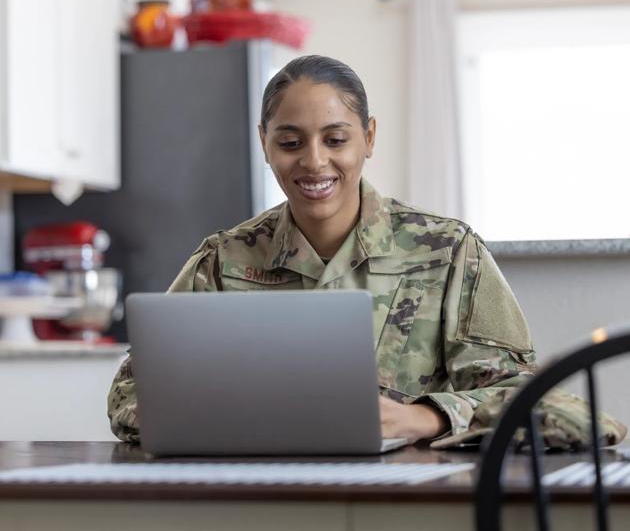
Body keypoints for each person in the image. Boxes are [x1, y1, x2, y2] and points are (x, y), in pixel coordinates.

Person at [108, 54, 538, 445]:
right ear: (264, 144)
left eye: (335, 140)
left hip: (404, 500)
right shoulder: (223, 262)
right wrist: (233, 419)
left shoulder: (450, 252)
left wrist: (424, 419)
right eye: (291, 143)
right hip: (254, 494)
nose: (314, 162)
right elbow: (129, 396)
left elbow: (531, 400)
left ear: (368, 137)